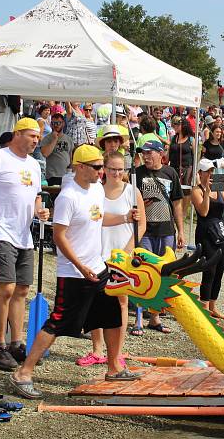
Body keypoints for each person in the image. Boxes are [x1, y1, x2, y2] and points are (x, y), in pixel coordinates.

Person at [9, 145, 143, 399]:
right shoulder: (68, 196)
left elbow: (99, 218)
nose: (101, 172)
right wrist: (80, 266)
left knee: (113, 315)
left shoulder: (95, 189)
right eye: (96, 167)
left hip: (98, 267)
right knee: (58, 322)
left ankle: (114, 367)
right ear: (80, 167)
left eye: (102, 167)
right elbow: (59, 236)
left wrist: (125, 217)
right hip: (74, 273)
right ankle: (23, 373)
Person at [0, 117, 50, 371]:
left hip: (23, 233)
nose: (36, 141)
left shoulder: (35, 165)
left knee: (22, 291)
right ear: (17, 134)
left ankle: (17, 342)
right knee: (6, 288)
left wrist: (40, 211)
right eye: (32, 136)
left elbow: (36, 196)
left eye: (38, 137)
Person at [77, 150, 147, 359]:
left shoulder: (132, 191)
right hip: (96, 252)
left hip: (122, 254)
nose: (117, 173)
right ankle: (97, 349)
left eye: (120, 169)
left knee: (121, 301)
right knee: (95, 300)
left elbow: (141, 224)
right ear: (104, 169)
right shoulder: (95, 190)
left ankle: (116, 351)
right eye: (112, 169)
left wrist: (127, 251)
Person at [135, 139, 184, 333]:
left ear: (160, 154)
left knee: (162, 274)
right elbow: (131, 202)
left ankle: (154, 318)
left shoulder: (170, 173)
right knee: (143, 272)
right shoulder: (137, 174)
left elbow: (178, 204)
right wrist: (140, 206)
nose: (145, 156)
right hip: (144, 230)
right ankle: (138, 319)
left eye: (149, 153)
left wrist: (180, 231)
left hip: (166, 231)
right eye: (143, 153)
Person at [191, 158, 224, 319]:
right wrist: (207, 192)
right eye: (207, 171)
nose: (210, 174)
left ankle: (213, 305)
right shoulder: (197, 190)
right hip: (205, 232)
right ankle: (204, 306)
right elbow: (203, 212)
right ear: (200, 173)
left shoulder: (218, 185)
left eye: (211, 171)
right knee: (209, 270)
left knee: (220, 269)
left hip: (219, 232)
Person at [168, 117, 195, 219]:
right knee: (174, 189)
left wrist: (195, 169)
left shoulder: (191, 139)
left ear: (183, 125)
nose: (174, 126)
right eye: (174, 124)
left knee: (186, 190)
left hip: (187, 167)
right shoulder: (174, 138)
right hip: (174, 167)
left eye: (177, 124)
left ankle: (183, 212)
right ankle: (175, 210)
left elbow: (195, 154)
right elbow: (170, 151)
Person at [41, 113, 74, 186]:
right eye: (54, 123)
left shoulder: (69, 139)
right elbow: (45, 153)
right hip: (52, 175)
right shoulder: (47, 139)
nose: (57, 125)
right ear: (51, 124)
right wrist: (55, 139)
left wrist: (72, 172)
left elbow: (71, 157)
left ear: (63, 123)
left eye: (59, 123)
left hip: (66, 174)